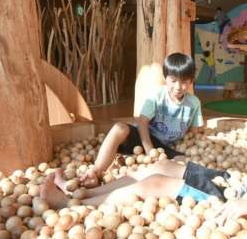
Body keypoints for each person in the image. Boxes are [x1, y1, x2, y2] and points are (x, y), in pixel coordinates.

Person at [43, 100, 247, 225]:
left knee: (154, 185)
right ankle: (88, 192)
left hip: (236, 198)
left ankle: (71, 207)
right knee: (157, 167)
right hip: (236, 184)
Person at [79, 52, 204, 187]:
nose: (178, 87)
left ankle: (127, 165)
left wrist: (194, 149)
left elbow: (194, 132)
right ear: (165, 78)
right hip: (143, 138)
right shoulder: (156, 96)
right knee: (119, 128)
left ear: (191, 81)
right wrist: (149, 150)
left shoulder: (194, 103)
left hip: (165, 148)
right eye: (173, 81)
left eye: (184, 82)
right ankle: (96, 171)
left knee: (185, 161)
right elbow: (142, 122)